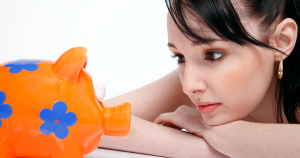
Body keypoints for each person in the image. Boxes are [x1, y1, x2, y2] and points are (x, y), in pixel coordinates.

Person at [99, 0, 300, 157]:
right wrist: (197, 148)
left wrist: (212, 132)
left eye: (213, 55)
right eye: (180, 57)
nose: (188, 85)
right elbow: (79, 119)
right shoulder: (195, 79)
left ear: (282, 41)